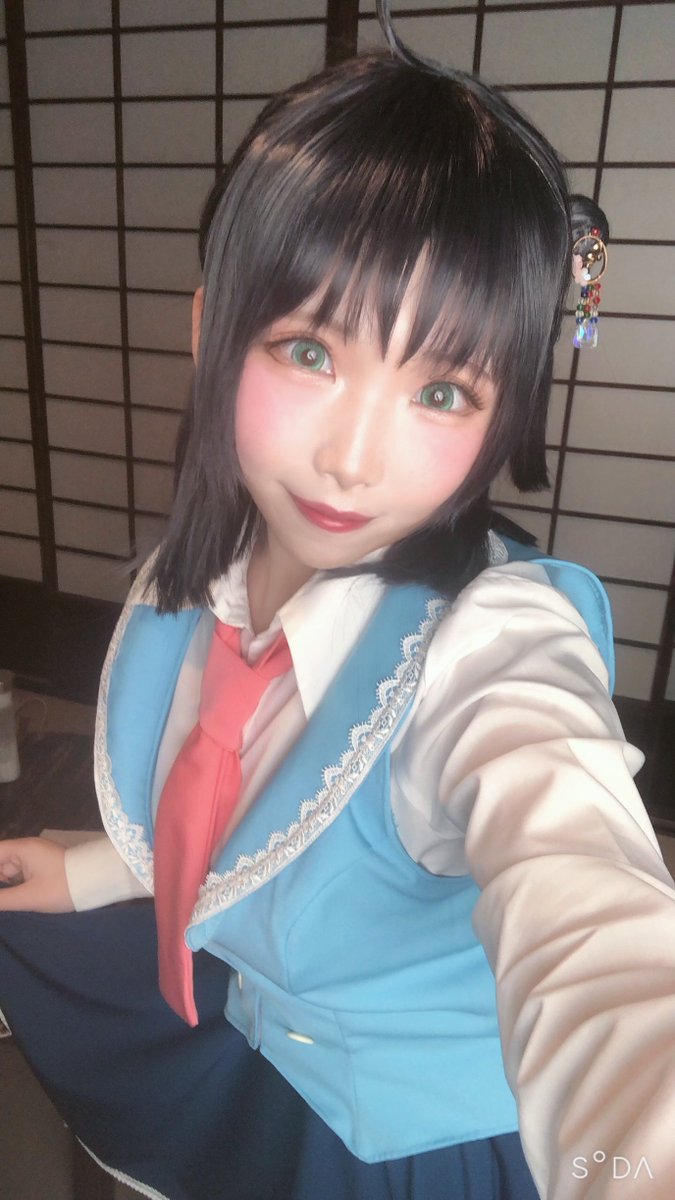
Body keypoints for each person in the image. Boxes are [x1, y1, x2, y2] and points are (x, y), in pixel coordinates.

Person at [1, 6, 674, 1199]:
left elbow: (589, 918)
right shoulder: (195, 576)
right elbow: (242, 805)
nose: (353, 462)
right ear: (212, 331)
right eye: (310, 351)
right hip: (258, 1039)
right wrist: (97, 869)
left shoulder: (496, 645)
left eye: (444, 392)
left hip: (416, 1149)